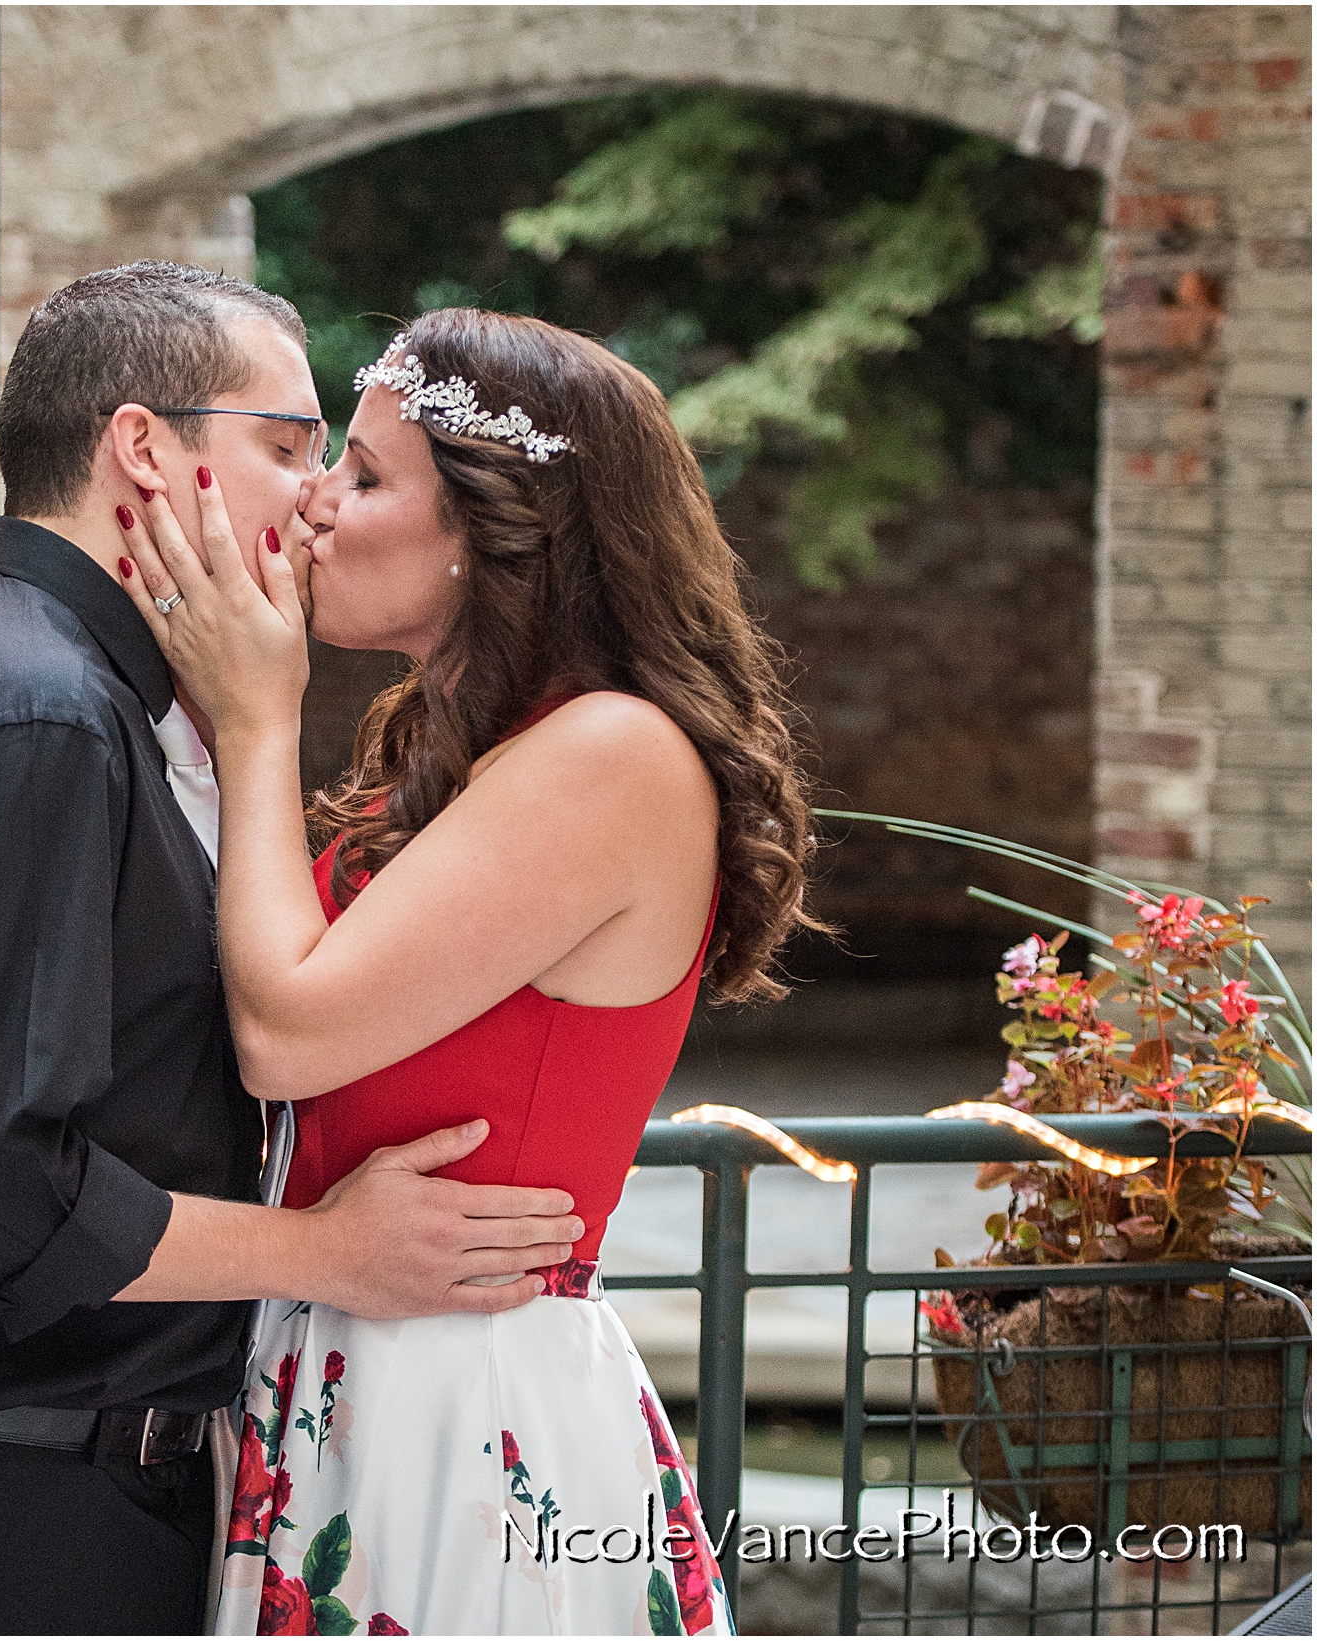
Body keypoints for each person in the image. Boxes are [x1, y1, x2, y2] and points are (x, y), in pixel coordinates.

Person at [0, 266, 585, 1636]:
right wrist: (324, 1251)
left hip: (17, 1497)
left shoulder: (50, 685)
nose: (313, 499)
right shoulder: (40, 713)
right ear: (145, 448)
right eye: (287, 446)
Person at [113, 308, 821, 1635]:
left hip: (463, 1403)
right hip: (340, 1361)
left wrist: (263, 716)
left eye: (368, 475)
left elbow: (285, 1028)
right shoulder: (469, 756)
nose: (316, 503)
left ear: (491, 540)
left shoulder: (612, 752)